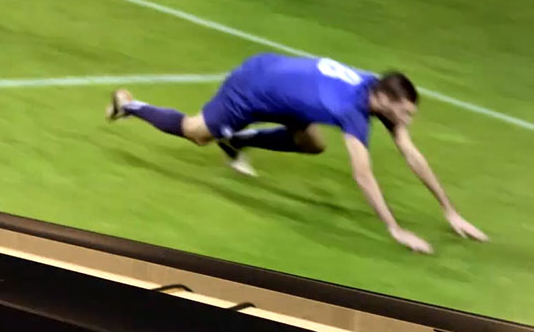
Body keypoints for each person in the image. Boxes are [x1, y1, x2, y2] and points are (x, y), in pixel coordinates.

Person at [105, 52, 488, 254]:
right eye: (404, 113)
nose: (407, 121)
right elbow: (363, 175)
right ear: (385, 101)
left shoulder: (376, 89)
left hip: (284, 87)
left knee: (312, 144)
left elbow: (411, 154)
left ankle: (236, 141)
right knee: (195, 132)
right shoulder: (351, 109)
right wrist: (394, 228)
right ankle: (129, 105)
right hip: (251, 88)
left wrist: (449, 210)